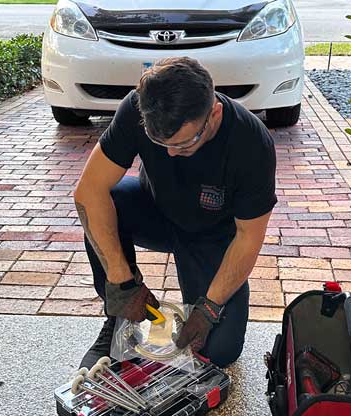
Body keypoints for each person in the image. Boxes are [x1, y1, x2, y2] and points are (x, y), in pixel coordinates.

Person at [73, 56, 276, 369]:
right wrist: (122, 283)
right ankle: (116, 320)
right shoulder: (138, 108)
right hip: (156, 212)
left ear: (214, 114)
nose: (169, 153)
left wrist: (209, 308)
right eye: (160, 142)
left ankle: (209, 308)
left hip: (212, 235)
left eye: (183, 144)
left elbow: (249, 237)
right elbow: (88, 192)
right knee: (106, 202)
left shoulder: (251, 144)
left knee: (220, 351)